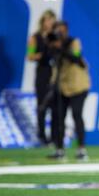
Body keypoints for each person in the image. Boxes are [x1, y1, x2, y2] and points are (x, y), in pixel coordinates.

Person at [48, 21, 90, 161]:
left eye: (60, 31)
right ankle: (59, 149)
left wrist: (62, 49)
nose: (58, 35)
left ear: (66, 30)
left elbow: (76, 57)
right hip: (62, 86)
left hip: (78, 85)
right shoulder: (53, 45)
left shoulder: (74, 42)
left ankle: (81, 149)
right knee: (59, 118)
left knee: (77, 115)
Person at [27, 10, 56, 146]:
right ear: (42, 22)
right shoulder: (35, 37)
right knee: (42, 105)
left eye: (51, 20)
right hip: (42, 72)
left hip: (54, 72)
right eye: (47, 20)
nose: (49, 23)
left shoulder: (55, 37)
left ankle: (55, 136)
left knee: (55, 105)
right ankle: (42, 136)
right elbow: (29, 56)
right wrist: (40, 54)